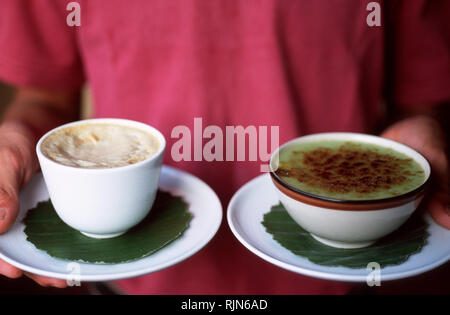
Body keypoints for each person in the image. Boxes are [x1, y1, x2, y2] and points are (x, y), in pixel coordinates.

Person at [0, 0, 448, 294]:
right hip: (125, 278)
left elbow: (419, 102)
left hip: (351, 274)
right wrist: (16, 141)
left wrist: (425, 139)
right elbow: (44, 96)